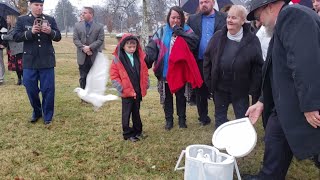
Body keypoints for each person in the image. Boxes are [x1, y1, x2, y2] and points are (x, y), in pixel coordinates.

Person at [244, 0, 320, 179]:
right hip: (286, 103)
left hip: (304, 103)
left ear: (269, 7)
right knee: (275, 137)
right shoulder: (283, 23)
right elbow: (275, 69)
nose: (259, 22)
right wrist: (262, 101)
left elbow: (304, 62)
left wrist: (310, 104)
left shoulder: (292, 16)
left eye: (258, 16)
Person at [203, 5, 263, 129]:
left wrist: (254, 88)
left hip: (241, 89)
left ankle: (241, 144)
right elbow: (207, 58)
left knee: (242, 120)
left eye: (234, 18)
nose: (229, 20)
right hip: (220, 88)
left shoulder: (252, 40)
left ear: (242, 21)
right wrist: (209, 81)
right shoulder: (218, 37)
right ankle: (220, 143)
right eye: (228, 17)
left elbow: (258, 67)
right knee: (220, 118)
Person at [145, 6, 200, 130]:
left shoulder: (187, 30)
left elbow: (194, 43)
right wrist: (146, 60)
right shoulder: (162, 31)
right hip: (165, 72)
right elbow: (152, 46)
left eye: (178, 18)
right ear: (168, 18)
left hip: (180, 73)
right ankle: (169, 120)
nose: (175, 20)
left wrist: (181, 33)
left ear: (182, 19)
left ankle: (182, 120)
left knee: (181, 97)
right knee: (167, 98)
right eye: (173, 17)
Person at [13, 0, 61, 126]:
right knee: (30, 88)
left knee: (48, 90)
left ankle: (48, 115)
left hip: (47, 60)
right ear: (30, 5)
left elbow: (58, 36)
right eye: (36, 5)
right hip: (30, 61)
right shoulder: (22, 20)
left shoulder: (50, 19)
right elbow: (16, 36)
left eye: (41, 5)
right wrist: (30, 32)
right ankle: (37, 111)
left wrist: (50, 31)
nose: (39, 8)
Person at [187, 0, 227, 126]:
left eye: (206, 1)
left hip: (218, 61)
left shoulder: (224, 18)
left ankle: (221, 116)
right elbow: (188, 38)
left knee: (218, 89)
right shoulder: (192, 20)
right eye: (201, 2)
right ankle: (203, 117)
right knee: (200, 90)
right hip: (199, 60)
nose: (203, 4)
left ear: (213, 2)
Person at [110, 34, 149, 142]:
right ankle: (127, 133)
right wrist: (120, 87)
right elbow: (114, 75)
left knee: (136, 112)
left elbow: (144, 72)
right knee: (126, 113)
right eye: (129, 47)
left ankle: (138, 131)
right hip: (126, 92)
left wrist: (146, 82)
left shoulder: (139, 57)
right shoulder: (117, 59)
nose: (132, 49)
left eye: (134, 46)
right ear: (123, 46)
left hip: (137, 90)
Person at [73, 7, 104, 90]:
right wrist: (83, 48)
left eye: (84, 12)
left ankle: (93, 94)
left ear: (91, 14)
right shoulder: (77, 25)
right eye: (82, 12)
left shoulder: (99, 26)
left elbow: (100, 40)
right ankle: (84, 96)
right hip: (82, 56)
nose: (82, 14)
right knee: (83, 77)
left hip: (94, 56)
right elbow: (75, 39)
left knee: (94, 76)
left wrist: (90, 47)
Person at [1, 15, 24, 85]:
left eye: (8, 18)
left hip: (18, 48)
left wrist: (3, 36)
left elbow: (12, 36)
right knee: (16, 66)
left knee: (20, 65)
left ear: (12, 19)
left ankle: (24, 79)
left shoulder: (16, 27)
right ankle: (19, 79)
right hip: (11, 49)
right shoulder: (8, 27)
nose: (6, 19)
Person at [0, 16, 7, 85]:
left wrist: (3, 43)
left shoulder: (1, 19)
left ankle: (1, 78)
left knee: (0, 62)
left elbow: (4, 32)